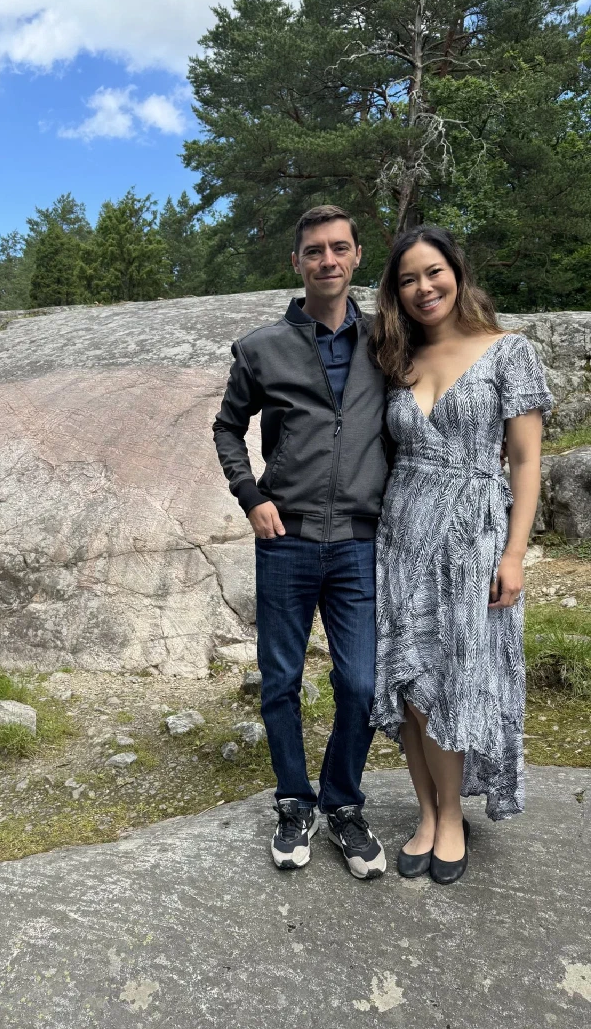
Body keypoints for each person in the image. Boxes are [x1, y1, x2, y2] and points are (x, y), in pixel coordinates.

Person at [369, 226, 552, 884]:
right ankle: (427, 811)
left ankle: (452, 818)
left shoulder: (509, 351)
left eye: (434, 272)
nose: (424, 287)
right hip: (400, 538)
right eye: (408, 279)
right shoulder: (397, 359)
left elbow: (526, 461)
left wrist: (515, 553)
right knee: (409, 683)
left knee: (451, 680)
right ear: (396, 292)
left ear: (457, 273)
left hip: (472, 540)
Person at [212, 205, 388, 878]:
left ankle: (342, 802)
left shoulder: (387, 340)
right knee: (281, 681)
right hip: (286, 540)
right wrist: (251, 495)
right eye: (314, 250)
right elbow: (227, 427)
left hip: (359, 542)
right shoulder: (261, 347)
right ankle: (294, 801)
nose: (327, 260)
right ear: (297, 262)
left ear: (357, 255)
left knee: (361, 683)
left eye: (339, 248)